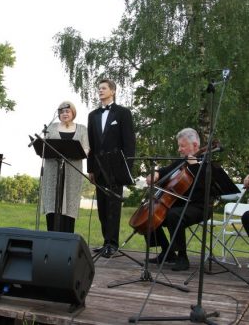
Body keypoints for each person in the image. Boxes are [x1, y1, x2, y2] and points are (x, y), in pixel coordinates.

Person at [146, 127, 215, 271]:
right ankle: (167, 251)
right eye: (179, 146)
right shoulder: (181, 161)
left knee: (173, 215)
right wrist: (156, 174)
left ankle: (182, 257)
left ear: (195, 145)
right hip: (179, 204)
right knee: (150, 212)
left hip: (199, 206)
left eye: (182, 146)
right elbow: (166, 170)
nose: (179, 149)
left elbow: (209, 186)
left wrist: (195, 167)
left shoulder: (206, 163)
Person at [87, 79, 135, 258]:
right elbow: (91, 144)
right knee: (102, 207)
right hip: (98, 167)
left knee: (113, 207)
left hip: (116, 167)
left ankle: (112, 244)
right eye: (99, 88)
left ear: (113, 91)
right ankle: (105, 241)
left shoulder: (123, 113)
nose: (100, 91)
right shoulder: (92, 115)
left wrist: (127, 169)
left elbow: (129, 143)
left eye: (104, 88)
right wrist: (90, 168)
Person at [41, 101, 89, 233]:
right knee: (52, 201)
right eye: (61, 112)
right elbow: (44, 146)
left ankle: (67, 238)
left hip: (73, 170)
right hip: (52, 170)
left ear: (73, 112)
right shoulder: (51, 127)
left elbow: (86, 148)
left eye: (67, 111)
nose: (64, 114)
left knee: (69, 203)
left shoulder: (82, 129)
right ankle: (51, 236)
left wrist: (76, 153)